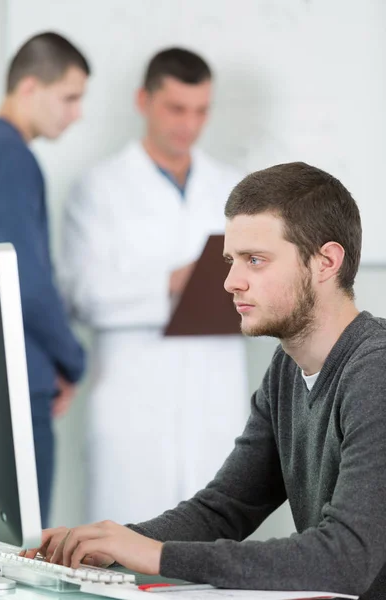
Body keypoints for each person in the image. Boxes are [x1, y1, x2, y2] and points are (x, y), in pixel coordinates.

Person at [27, 162, 386, 597]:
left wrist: (156, 557)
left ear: (326, 261)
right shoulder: (286, 371)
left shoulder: (375, 371)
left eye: (256, 260)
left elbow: (344, 559)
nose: (232, 282)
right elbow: (223, 510)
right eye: (231, 261)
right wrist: (107, 546)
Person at [59, 47, 249, 524]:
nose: (189, 124)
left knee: (217, 560)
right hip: (133, 403)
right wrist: (172, 283)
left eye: (201, 110)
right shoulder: (99, 188)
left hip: (214, 402)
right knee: (122, 558)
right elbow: (83, 295)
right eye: (176, 108)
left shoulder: (236, 190)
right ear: (144, 100)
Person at [0, 32, 90, 526]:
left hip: (0, 380)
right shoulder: (10, 154)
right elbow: (23, 274)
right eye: (69, 97)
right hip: (13, 386)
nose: (77, 113)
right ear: (29, 87)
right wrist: (72, 359)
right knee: (20, 548)